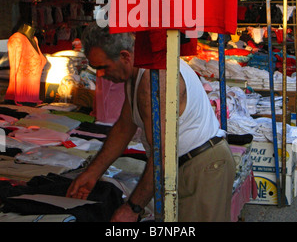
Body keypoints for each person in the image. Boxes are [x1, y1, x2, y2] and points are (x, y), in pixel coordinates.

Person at [66, 22, 236, 222]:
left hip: (201, 168)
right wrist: (93, 173)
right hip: (183, 167)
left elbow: (162, 154)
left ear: (125, 56)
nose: (100, 75)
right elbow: (124, 127)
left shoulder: (153, 80)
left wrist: (132, 208)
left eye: (103, 67)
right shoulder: (137, 73)